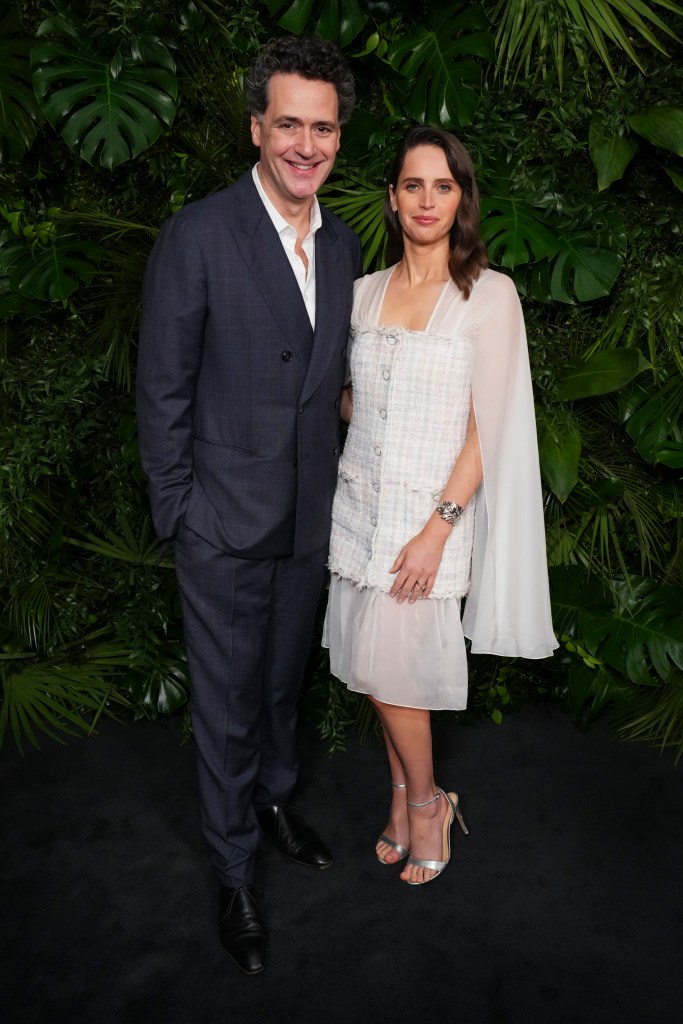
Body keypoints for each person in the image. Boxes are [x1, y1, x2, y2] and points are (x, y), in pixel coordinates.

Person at [136, 36, 361, 974]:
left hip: (309, 516)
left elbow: (330, 381)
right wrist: (183, 509)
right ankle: (232, 870)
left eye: (323, 127)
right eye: (289, 124)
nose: (306, 144)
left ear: (336, 138)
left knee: (279, 686)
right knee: (226, 703)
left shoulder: (343, 242)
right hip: (222, 522)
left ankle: (272, 802)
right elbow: (162, 388)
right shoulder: (201, 232)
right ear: (256, 127)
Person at [323, 125, 558, 887]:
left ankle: (427, 803)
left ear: (461, 200)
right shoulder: (361, 293)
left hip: (432, 518)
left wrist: (437, 528)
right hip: (358, 509)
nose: (426, 200)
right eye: (412, 185)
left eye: (443, 186)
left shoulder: (488, 297)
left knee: (397, 671)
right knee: (375, 668)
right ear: (391, 198)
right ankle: (401, 796)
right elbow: (355, 402)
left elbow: (490, 427)